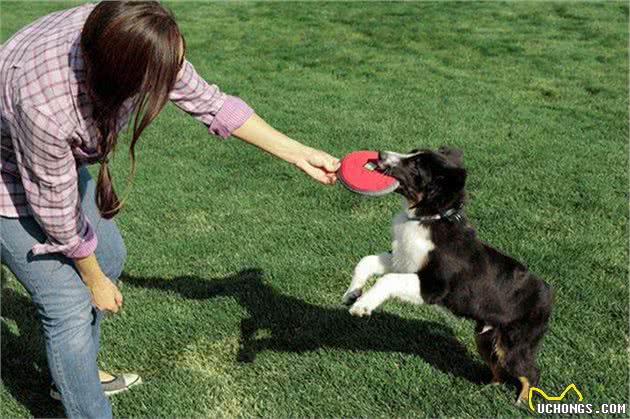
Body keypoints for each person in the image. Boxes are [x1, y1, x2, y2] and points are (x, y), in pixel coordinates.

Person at [0, 2, 339, 418]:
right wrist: (92, 280)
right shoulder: (46, 108)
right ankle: (83, 398)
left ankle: (75, 371)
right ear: (121, 76)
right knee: (67, 302)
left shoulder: (131, 32)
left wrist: (298, 152)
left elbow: (211, 103)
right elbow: (54, 210)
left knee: (108, 255)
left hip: (51, 162)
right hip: (7, 174)